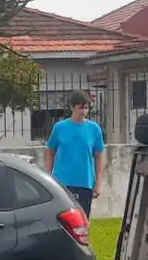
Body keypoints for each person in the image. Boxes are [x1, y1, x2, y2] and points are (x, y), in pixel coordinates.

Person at [44, 89, 106, 217]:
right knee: (63, 219)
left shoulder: (94, 129)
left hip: (85, 182)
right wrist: (48, 177)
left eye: (86, 108)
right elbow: (50, 152)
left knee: (82, 220)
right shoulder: (60, 128)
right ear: (72, 107)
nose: (83, 112)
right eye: (80, 108)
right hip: (62, 182)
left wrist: (99, 182)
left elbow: (100, 156)